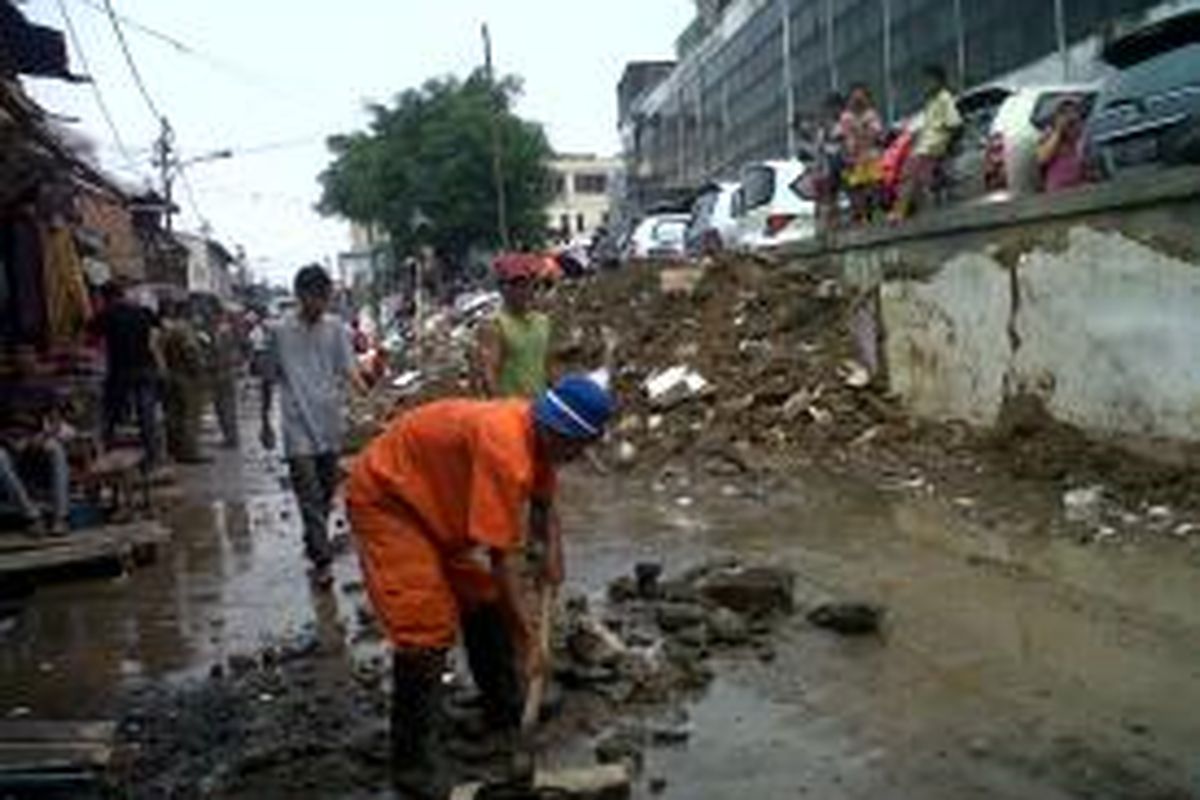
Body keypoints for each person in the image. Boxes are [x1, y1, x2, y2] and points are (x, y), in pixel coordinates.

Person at [345, 374, 614, 794]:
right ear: (561, 433)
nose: (579, 458)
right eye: (578, 448)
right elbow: (502, 557)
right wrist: (527, 640)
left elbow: (543, 504)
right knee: (424, 625)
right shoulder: (506, 447)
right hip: (391, 501)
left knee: (483, 598)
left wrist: (553, 555)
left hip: (436, 509)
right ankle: (413, 766)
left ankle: (503, 705)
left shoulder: (539, 436)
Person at [260, 265, 366, 588]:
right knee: (308, 494)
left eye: (324, 298)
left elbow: (349, 369)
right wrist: (265, 420)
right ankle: (323, 561)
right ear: (300, 296)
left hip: (328, 420)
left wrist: (368, 395)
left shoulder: (335, 329)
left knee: (325, 492)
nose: (319, 304)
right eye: (314, 297)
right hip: (296, 425)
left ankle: (313, 538)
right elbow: (267, 377)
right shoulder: (279, 332)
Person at [0, 351, 72, 535]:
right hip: (9, 442)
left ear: (35, 359)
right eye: (20, 355)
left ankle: (61, 516)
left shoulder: (44, 386)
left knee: (56, 450)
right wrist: (10, 441)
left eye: (29, 354)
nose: (25, 359)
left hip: (36, 439)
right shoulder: (4, 387)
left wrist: (42, 436)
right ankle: (31, 515)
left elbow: (55, 422)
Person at [93, 281, 160, 468]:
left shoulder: (107, 314)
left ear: (107, 298)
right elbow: (158, 326)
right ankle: (151, 458)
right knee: (146, 417)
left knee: (111, 414)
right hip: (146, 369)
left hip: (121, 372)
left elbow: (89, 332)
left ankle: (105, 455)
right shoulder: (143, 311)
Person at [891, 64, 962, 222]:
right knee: (914, 177)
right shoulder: (931, 101)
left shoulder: (944, 98)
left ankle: (901, 212)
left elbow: (954, 123)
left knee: (911, 175)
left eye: (929, 80)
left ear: (939, 80)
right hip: (926, 145)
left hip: (933, 146)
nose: (926, 85)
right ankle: (914, 212)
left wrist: (947, 143)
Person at [476, 254, 553, 398]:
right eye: (515, 285)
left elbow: (547, 366)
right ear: (502, 288)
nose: (522, 291)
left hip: (539, 406)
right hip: (512, 410)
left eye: (526, 284)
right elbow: (489, 375)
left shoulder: (542, 322)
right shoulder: (495, 325)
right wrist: (501, 409)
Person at [159, 300, 208, 464]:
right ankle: (190, 452)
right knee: (189, 415)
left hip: (171, 375)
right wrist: (199, 370)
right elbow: (191, 353)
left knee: (174, 415)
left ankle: (175, 449)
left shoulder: (169, 329)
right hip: (186, 378)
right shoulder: (185, 330)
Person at [839, 84, 886, 223]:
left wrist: (863, 133)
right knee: (857, 187)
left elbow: (876, 134)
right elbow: (844, 137)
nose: (858, 100)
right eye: (855, 97)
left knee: (875, 185)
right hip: (854, 158)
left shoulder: (871, 115)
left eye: (861, 97)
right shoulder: (846, 117)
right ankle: (862, 216)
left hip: (871, 155)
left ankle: (877, 212)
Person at [1038, 96, 1088, 193]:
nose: (1070, 116)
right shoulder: (1049, 136)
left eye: (1073, 112)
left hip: (1078, 189)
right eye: (1064, 113)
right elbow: (1042, 159)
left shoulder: (1080, 139)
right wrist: (1058, 131)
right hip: (1058, 191)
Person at [208, 308, 242, 448]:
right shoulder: (224, 331)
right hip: (224, 373)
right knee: (224, 407)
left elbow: (224, 355)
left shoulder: (223, 332)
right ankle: (230, 436)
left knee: (225, 407)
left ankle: (231, 438)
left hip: (223, 374)